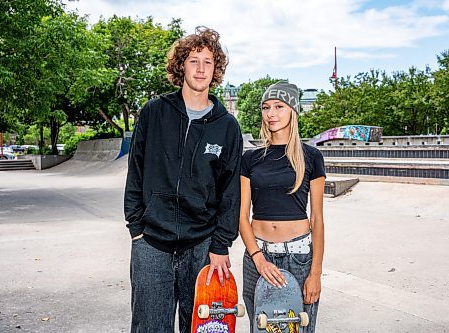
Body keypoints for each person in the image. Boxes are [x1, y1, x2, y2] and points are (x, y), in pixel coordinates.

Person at [124, 27, 243, 333]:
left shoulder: (227, 126)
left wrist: (220, 244)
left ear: (216, 70)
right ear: (181, 66)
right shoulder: (154, 112)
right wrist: (136, 225)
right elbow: (135, 170)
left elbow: (230, 192)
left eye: (208, 62)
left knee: (202, 327)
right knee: (149, 327)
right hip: (151, 242)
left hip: (202, 245)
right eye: (194, 61)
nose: (201, 68)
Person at [239, 81, 326, 332]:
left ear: (293, 111)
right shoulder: (251, 158)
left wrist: (315, 273)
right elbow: (242, 217)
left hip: (298, 258)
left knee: (297, 329)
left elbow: (317, 219)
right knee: (262, 329)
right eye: (266, 107)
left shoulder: (311, 157)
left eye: (279, 106)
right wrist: (258, 258)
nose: (271, 113)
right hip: (258, 257)